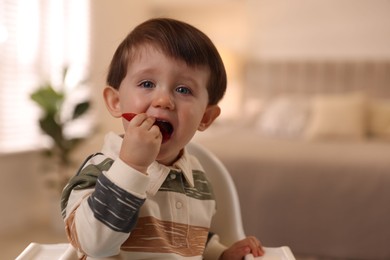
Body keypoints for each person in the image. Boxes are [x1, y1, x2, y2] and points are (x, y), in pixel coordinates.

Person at [61, 18, 264, 260]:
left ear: (206, 117)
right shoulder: (100, 169)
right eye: (147, 83)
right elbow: (93, 244)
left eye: (183, 90)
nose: (163, 100)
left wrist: (220, 254)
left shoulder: (197, 179)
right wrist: (131, 167)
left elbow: (187, 242)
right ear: (116, 102)